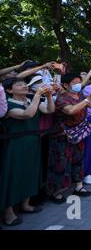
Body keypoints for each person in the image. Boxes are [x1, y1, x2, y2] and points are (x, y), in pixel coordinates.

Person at [0, 78, 55, 226]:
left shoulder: (31, 100)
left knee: (30, 173)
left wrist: (49, 96)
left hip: (33, 142)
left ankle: (26, 204)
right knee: (13, 176)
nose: (24, 85)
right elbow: (27, 115)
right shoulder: (7, 105)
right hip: (15, 145)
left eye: (25, 83)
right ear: (9, 90)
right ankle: (8, 213)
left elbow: (50, 110)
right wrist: (37, 95)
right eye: (19, 84)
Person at [48, 74, 91, 204]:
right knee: (60, 163)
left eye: (79, 82)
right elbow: (71, 110)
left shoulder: (81, 96)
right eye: (75, 82)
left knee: (78, 160)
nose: (78, 84)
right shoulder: (61, 99)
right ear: (66, 85)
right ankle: (55, 192)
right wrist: (88, 99)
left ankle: (79, 186)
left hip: (79, 134)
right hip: (62, 135)